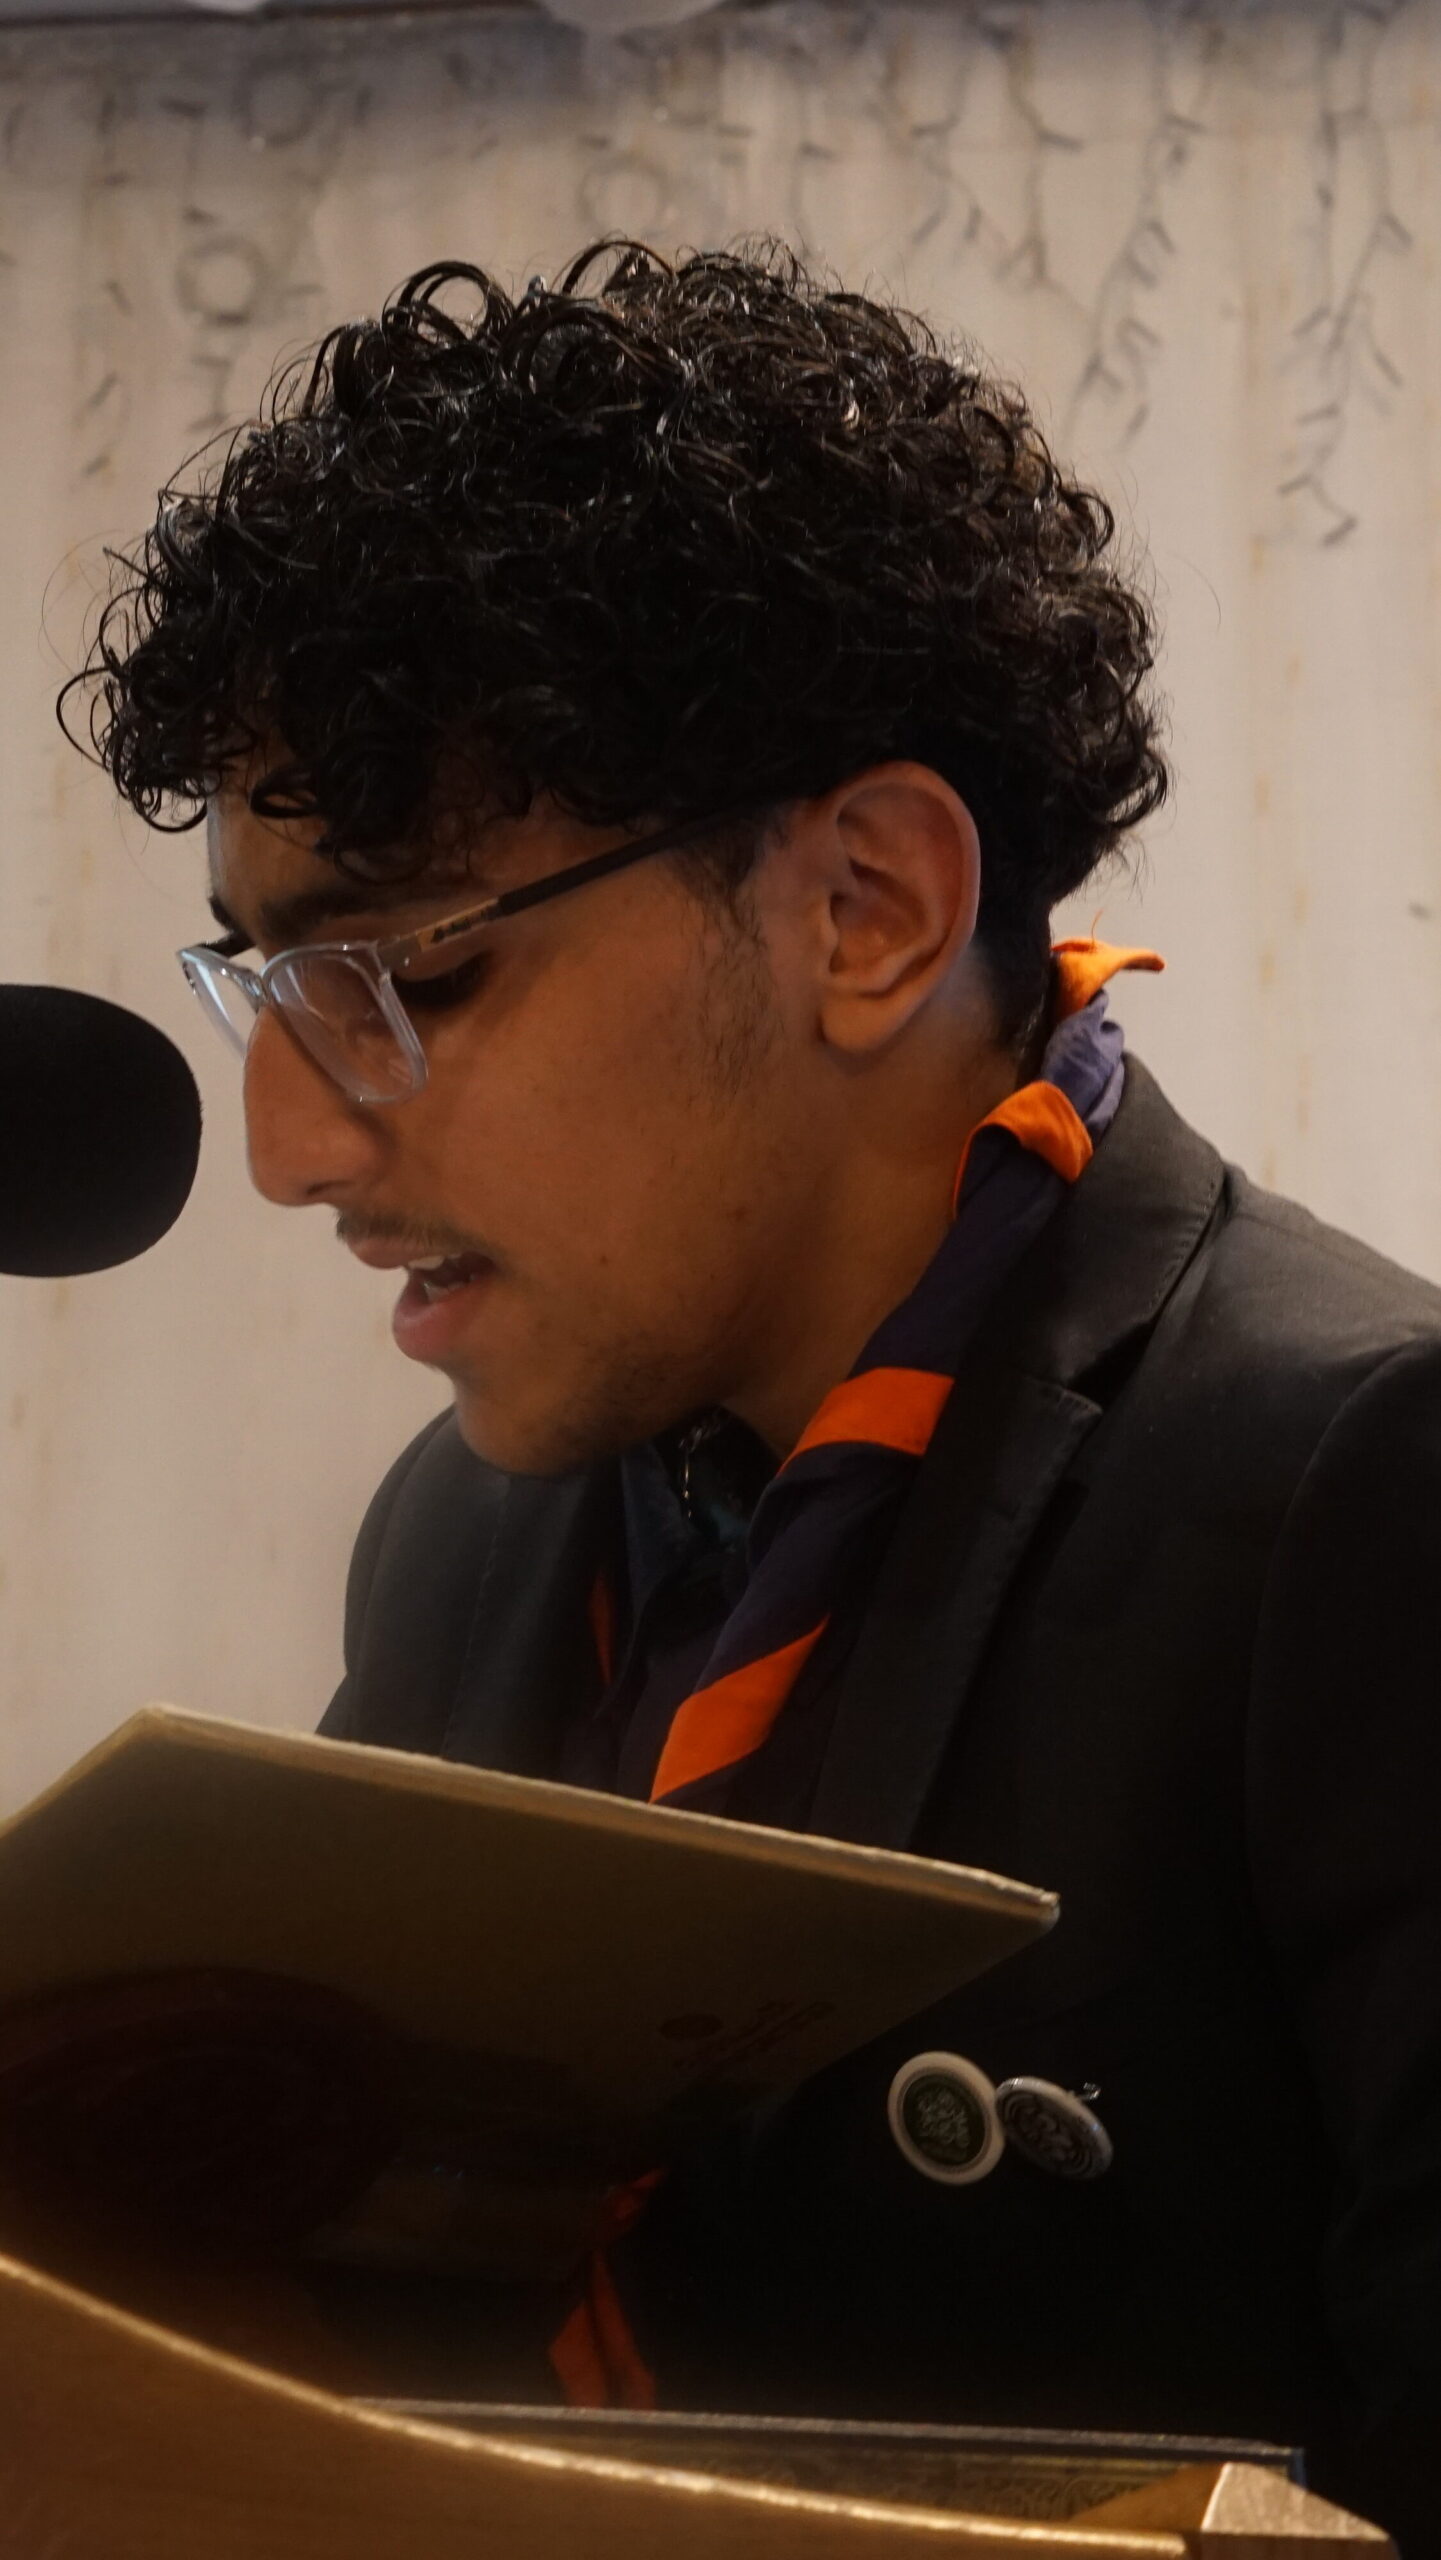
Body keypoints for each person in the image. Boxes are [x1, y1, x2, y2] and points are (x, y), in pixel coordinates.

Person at [65, 239, 1441, 2550]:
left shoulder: (1358, 1486)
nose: (288, 1145)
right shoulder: (465, 1532)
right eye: (263, 989)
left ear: (867, 905)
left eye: (404, 976)